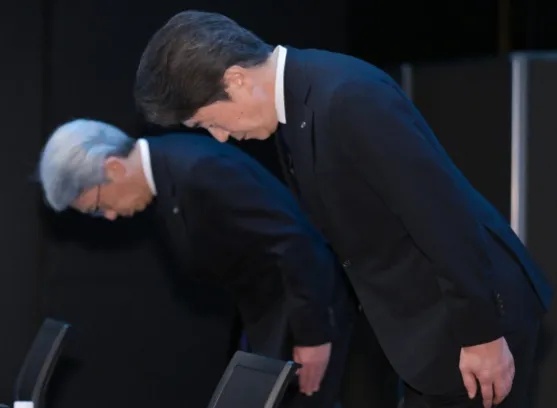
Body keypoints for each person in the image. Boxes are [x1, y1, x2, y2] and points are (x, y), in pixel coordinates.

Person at [132, 10, 553, 408]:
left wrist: (481, 334)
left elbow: (441, 215)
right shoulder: (295, 105)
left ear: (236, 79)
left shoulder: (346, 95)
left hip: (475, 326)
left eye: (209, 122)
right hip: (429, 332)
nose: (220, 137)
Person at [37, 118, 357, 408]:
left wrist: (312, 335)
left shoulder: (199, 169)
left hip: (305, 313)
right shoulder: (167, 172)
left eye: (98, 206)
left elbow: (295, 242)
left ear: (114, 168)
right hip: (270, 318)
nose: (108, 216)